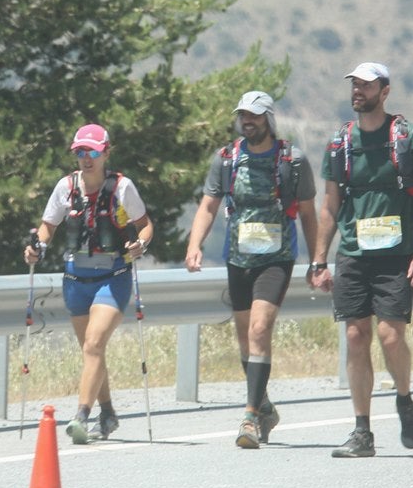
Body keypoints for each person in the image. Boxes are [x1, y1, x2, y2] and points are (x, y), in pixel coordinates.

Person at [310, 61, 413, 458]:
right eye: (354, 84)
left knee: (390, 335)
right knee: (355, 336)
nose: (357, 91)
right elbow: (330, 206)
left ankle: (404, 399)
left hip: (397, 256)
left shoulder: (408, 138)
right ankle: (361, 431)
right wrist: (319, 261)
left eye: (366, 86)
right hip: (352, 254)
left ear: (384, 92)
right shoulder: (340, 143)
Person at [184, 90, 320, 448]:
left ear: (268, 119)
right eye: (244, 115)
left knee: (260, 330)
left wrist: (316, 259)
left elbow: (308, 213)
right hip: (238, 258)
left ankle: (248, 417)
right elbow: (209, 205)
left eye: (255, 116)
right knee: (245, 337)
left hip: (277, 257)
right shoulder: (227, 159)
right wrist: (194, 245)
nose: (248, 121)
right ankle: (265, 407)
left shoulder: (292, 160)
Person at [24, 123, 153, 444]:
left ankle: (81, 415)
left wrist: (140, 244)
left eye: (93, 152)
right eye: (80, 152)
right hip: (75, 280)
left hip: (113, 278)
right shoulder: (65, 188)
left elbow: (145, 225)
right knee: (91, 352)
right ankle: (107, 414)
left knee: (94, 344)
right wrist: (36, 247)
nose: (86, 158)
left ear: (106, 153)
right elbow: (47, 227)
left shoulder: (122, 188)